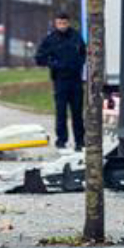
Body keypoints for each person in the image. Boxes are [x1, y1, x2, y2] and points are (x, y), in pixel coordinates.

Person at [35, 13, 87, 151]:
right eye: (59, 23)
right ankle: (61, 140)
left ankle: (80, 141)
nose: (62, 26)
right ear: (55, 23)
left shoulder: (76, 37)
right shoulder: (51, 39)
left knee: (77, 113)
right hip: (60, 80)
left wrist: (78, 64)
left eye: (64, 23)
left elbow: (84, 53)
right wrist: (54, 64)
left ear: (68, 23)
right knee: (61, 112)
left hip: (75, 80)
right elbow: (39, 58)